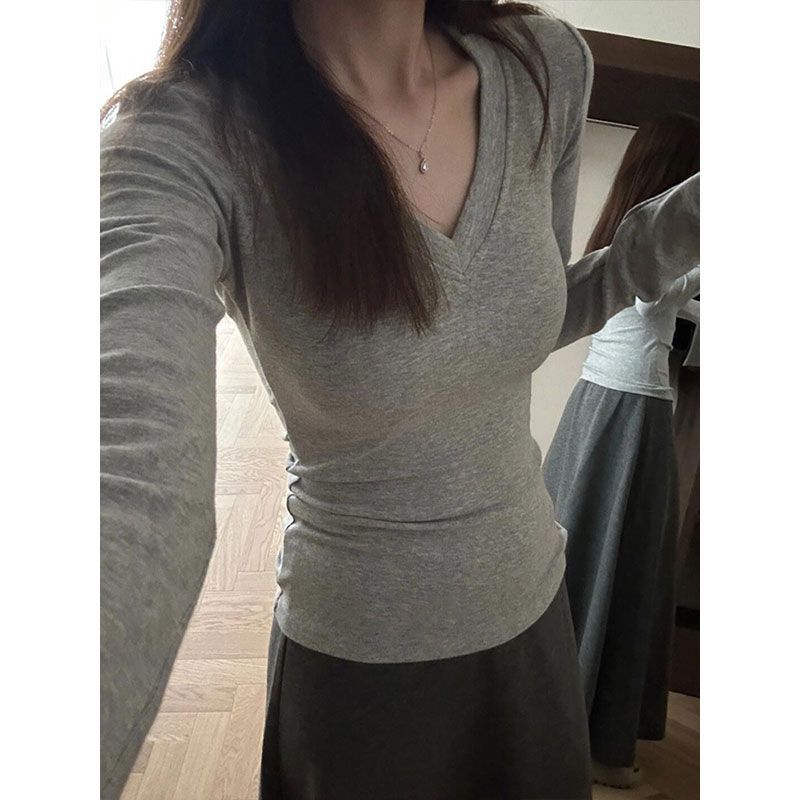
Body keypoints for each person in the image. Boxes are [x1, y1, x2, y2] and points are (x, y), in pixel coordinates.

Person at [100, 1, 700, 797]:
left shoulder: (543, 64)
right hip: (362, 668)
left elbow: (518, 321)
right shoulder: (181, 138)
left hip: (533, 619)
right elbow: (130, 479)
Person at [542, 114, 701, 790]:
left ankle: (562, 727)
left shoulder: (619, 235)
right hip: (632, 411)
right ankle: (594, 744)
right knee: (622, 570)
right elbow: (677, 298)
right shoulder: (655, 250)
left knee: (580, 564)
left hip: (597, 406)